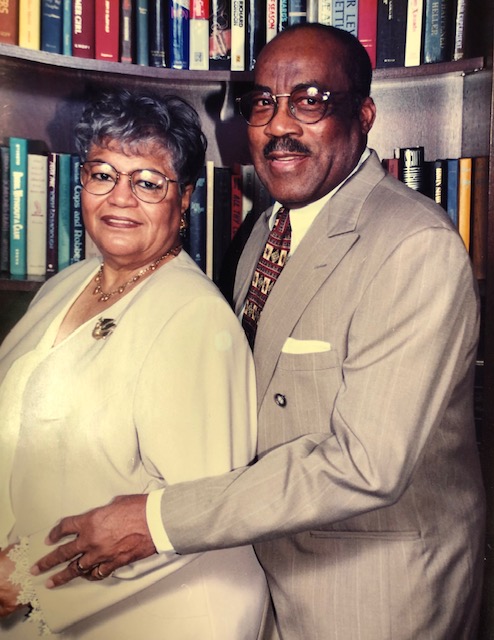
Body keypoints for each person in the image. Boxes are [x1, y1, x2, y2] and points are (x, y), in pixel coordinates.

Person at [31, 24, 485, 639]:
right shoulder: (268, 230)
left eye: (310, 99)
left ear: (366, 114)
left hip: (372, 593)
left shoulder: (412, 245)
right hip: (260, 572)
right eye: (262, 103)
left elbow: (366, 465)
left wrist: (157, 519)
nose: (278, 125)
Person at [0, 88, 268, 638]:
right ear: (81, 182)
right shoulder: (63, 286)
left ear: (185, 196)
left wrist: (27, 577)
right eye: (103, 174)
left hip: (163, 616)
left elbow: (198, 512)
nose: (120, 198)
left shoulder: (195, 319)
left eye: (147, 182)